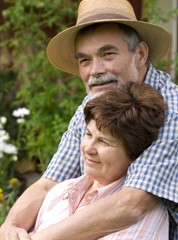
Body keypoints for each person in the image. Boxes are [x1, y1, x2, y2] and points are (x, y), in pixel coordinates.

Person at [0, 0, 178, 239]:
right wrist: (10, 227)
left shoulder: (173, 111)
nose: (95, 70)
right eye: (85, 60)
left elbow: (131, 205)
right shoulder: (95, 101)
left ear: (140, 54)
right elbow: (49, 183)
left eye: (107, 54)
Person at [29, 82, 168, 239]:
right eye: (88, 134)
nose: (88, 148)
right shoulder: (60, 193)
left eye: (104, 142)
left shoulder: (146, 217)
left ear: (133, 154)